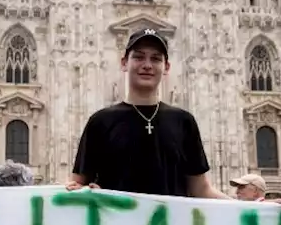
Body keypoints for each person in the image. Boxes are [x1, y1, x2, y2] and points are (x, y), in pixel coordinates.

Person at [67, 29, 226, 199]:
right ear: (124, 63)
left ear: (166, 67)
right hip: (118, 224)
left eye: (156, 58)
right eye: (139, 57)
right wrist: (89, 194)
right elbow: (77, 186)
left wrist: (251, 208)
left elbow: (201, 190)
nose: (147, 65)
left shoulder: (183, 122)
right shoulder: (100, 122)